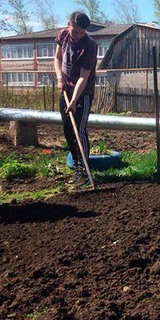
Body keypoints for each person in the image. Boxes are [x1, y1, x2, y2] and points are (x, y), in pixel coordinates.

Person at [54, 11, 98, 188]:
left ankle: (85, 173)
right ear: (68, 25)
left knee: (79, 129)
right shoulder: (63, 35)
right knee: (67, 129)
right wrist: (59, 78)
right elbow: (57, 59)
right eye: (75, 31)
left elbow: (83, 77)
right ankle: (77, 170)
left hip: (83, 92)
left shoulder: (89, 45)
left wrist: (74, 101)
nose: (78, 35)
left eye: (82, 33)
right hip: (65, 88)